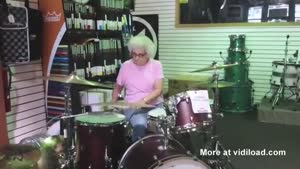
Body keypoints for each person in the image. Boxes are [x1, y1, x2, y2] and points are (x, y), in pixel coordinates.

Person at [112, 35, 164, 142]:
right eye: (134, 54)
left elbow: (158, 89)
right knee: (140, 125)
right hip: (133, 108)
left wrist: (143, 101)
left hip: (154, 106)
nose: (136, 58)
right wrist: (113, 105)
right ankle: (138, 153)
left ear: (148, 53)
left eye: (140, 55)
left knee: (162, 126)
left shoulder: (156, 65)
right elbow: (117, 89)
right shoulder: (126, 66)